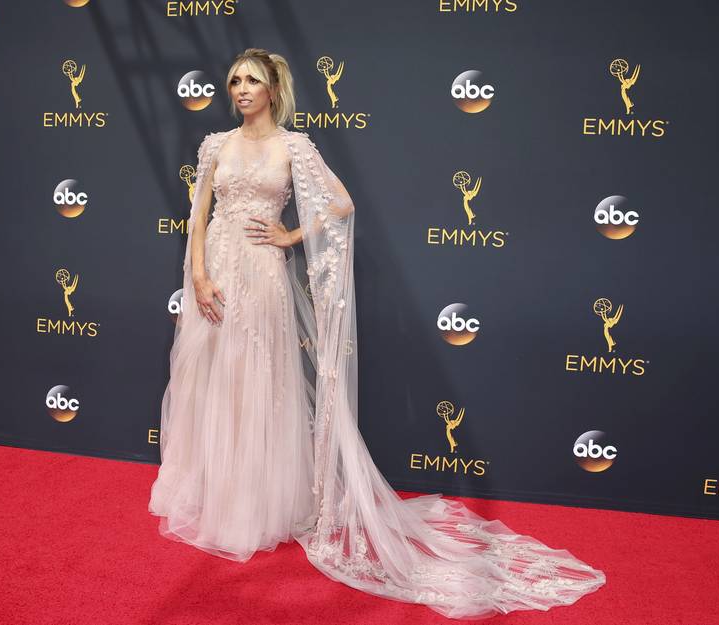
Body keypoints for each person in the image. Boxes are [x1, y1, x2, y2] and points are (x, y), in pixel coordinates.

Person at [149, 47, 605, 619]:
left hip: (263, 278)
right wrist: (197, 274)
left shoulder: (294, 147)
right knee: (214, 381)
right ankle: (217, 494)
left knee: (256, 382)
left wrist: (292, 236)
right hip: (215, 270)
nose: (240, 89)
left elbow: (341, 203)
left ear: (272, 90)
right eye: (235, 79)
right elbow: (197, 216)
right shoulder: (215, 145)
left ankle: (254, 506)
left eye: (252, 80)